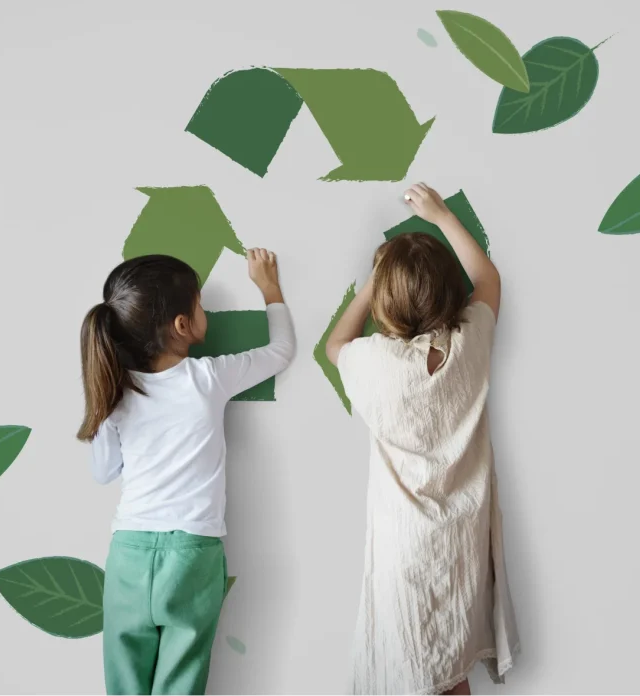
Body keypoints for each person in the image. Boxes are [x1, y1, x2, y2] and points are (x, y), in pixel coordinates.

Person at [326, 183, 519, 696]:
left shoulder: (375, 364)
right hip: (462, 540)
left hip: (402, 548)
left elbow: (334, 344)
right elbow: (488, 278)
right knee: (452, 669)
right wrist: (441, 215)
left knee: (408, 665)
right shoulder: (470, 342)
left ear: (384, 300)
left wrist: (374, 279)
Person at [77, 250, 295, 696]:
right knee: (181, 683)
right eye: (200, 304)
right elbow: (281, 352)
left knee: (124, 683)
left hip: (129, 554)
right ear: (182, 325)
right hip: (193, 553)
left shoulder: (115, 395)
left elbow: (103, 473)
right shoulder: (208, 378)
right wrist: (269, 288)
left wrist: (104, 411)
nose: (204, 310)